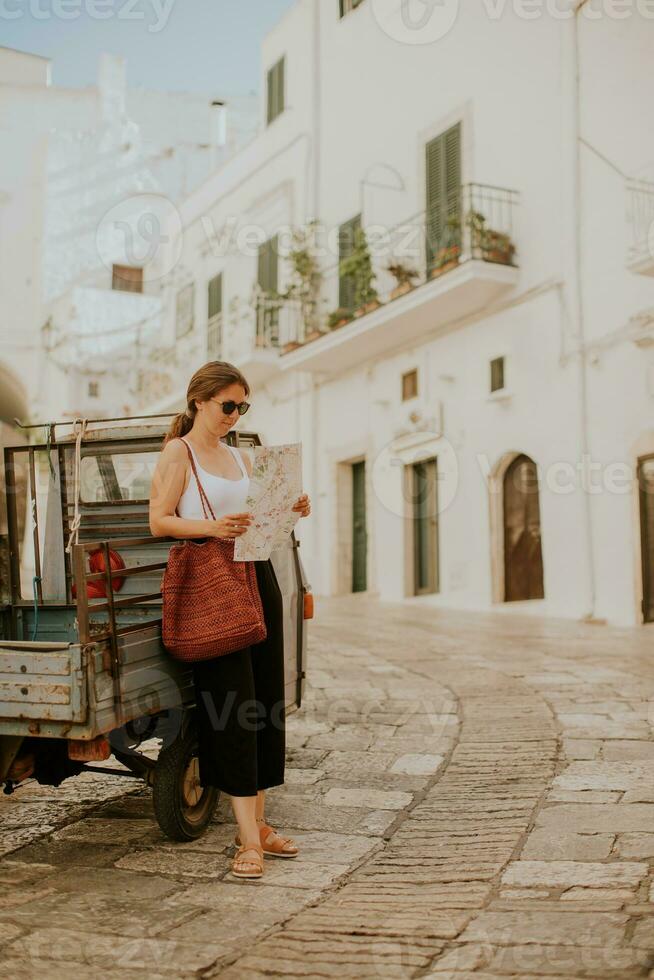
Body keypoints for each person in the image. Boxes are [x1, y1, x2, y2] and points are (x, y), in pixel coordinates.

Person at [149, 361, 311, 879]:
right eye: (227, 406)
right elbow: (158, 519)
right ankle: (245, 840)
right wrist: (212, 526)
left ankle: (259, 823)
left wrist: (292, 508)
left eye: (243, 406)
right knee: (233, 705)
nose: (234, 414)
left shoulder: (243, 457)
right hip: (213, 584)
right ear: (199, 401)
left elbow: (261, 519)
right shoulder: (181, 451)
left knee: (265, 703)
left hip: (257, 577)